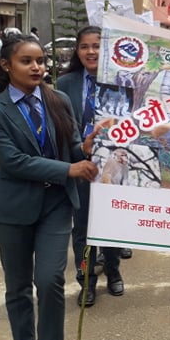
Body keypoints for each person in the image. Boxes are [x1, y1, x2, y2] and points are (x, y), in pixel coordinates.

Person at [0, 34, 99, 340]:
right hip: (14, 211)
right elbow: (15, 162)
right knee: (17, 286)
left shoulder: (59, 100)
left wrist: (86, 148)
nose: (36, 67)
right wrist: (69, 169)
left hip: (56, 206)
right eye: (27, 61)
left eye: (41, 61)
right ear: (6, 66)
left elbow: (72, 146)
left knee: (49, 281)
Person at [56, 26, 126, 308]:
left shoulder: (122, 81)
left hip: (114, 162)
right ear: (77, 51)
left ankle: (113, 270)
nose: (91, 51)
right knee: (83, 228)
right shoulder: (65, 84)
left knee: (111, 223)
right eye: (84, 46)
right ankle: (86, 279)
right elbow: (61, 125)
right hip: (81, 163)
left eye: (97, 45)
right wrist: (78, 152)